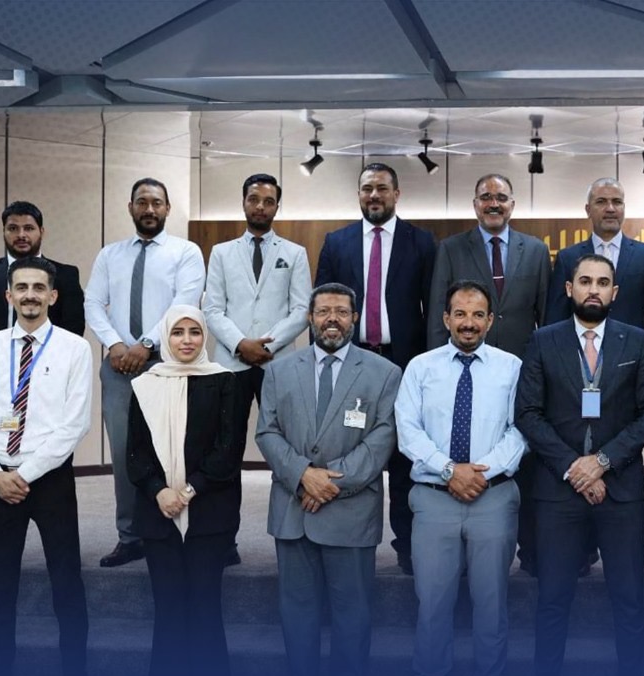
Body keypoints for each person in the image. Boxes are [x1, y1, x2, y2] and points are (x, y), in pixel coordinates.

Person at [515, 253, 644, 676]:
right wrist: (573, 468)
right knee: (552, 600)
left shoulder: (637, 341)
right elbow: (528, 414)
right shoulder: (543, 340)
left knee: (629, 600)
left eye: (602, 282)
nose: (593, 289)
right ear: (569, 289)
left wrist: (601, 462)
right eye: (585, 281)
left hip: (620, 491)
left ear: (615, 293)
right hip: (558, 492)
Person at [255, 283, 401, 676]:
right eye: (323, 312)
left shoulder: (384, 373)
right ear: (310, 318)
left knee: (352, 613)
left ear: (355, 318)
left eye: (340, 311)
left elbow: (383, 438)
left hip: (350, 512)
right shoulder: (279, 371)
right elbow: (267, 433)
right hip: (293, 510)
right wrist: (303, 476)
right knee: (297, 613)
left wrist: (330, 482)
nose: (331, 319)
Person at [0, 256, 93, 676]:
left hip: (50, 480)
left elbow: (74, 424)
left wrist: (25, 474)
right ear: (9, 295)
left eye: (39, 287)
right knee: (0, 591)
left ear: (53, 295)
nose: (30, 295)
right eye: (22, 287)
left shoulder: (75, 349)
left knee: (66, 586)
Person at [394, 280, 527, 676]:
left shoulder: (512, 367)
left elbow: (521, 429)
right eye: (460, 314)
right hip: (435, 496)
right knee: (433, 602)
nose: (468, 323)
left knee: (491, 602)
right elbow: (407, 430)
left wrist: (480, 473)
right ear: (446, 318)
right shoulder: (420, 368)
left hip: (493, 496)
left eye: (477, 315)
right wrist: (451, 470)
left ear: (490, 320)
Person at [427, 173, 550, 575]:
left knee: (524, 461)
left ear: (513, 204)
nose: (493, 203)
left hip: (520, 373)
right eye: (485, 197)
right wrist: (438, 368)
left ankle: (530, 551)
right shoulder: (450, 248)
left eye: (501, 197)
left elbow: (547, 318)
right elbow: (438, 312)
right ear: (474, 204)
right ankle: (461, 548)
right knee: (466, 449)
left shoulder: (535, 250)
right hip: (463, 367)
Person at [316, 162, 435, 575]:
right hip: (352, 361)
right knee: (348, 451)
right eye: (367, 188)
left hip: (405, 362)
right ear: (358, 195)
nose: (374, 195)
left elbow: (432, 308)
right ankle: (344, 544)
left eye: (382, 188)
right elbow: (322, 307)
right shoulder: (337, 242)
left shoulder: (422, 242)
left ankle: (407, 546)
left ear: (397, 194)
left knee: (403, 457)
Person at [0, 200, 85, 571]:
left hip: (50, 458)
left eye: (28, 227)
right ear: (9, 294)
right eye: (13, 228)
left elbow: (73, 326)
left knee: (65, 572)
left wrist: (42, 354)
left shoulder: (65, 279)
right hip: (0, 446)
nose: (21, 234)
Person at [86, 178, 205, 568]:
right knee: (124, 453)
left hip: (169, 364)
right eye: (142, 202)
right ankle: (130, 536)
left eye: (156, 202)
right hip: (119, 366)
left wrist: (147, 344)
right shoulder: (109, 255)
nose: (149, 209)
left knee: (175, 450)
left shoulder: (185, 252)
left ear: (168, 208)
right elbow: (93, 303)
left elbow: (184, 302)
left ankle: (176, 531)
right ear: (130, 207)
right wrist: (115, 345)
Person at [127, 306, 240, 676]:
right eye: (177, 332)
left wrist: (189, 490)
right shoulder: (145, 384)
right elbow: (135, 451)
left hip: (209, 511)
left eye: (195, 331)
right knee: (169, 602)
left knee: (205, 601)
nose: (187, 340)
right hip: (158, 512)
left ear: (205, 336)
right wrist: (159, 491)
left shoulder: (224, 380)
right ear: (166, 338)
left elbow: (228, 449)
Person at [203, 173, 310, 567]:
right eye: (254, 199)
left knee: (286, 449)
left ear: (277, 206)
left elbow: (301, 309)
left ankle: (294, 537)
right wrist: (240, 344)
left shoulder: (295, 253)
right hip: (230, 364)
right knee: (225, 453)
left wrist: (268, 345)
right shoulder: (221, 252)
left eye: (268, 200)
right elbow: (212, 308)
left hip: (277, 364)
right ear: (243, 202)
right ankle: (223, 541)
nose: (260, 206)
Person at [546, 177, 644, 358]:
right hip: (579, 358)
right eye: (601, 202)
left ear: (624, 208)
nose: (610, 208)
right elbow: (556, 317)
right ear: (588, 210)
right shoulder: (568, 258)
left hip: (634, 359)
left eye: (617, 202)